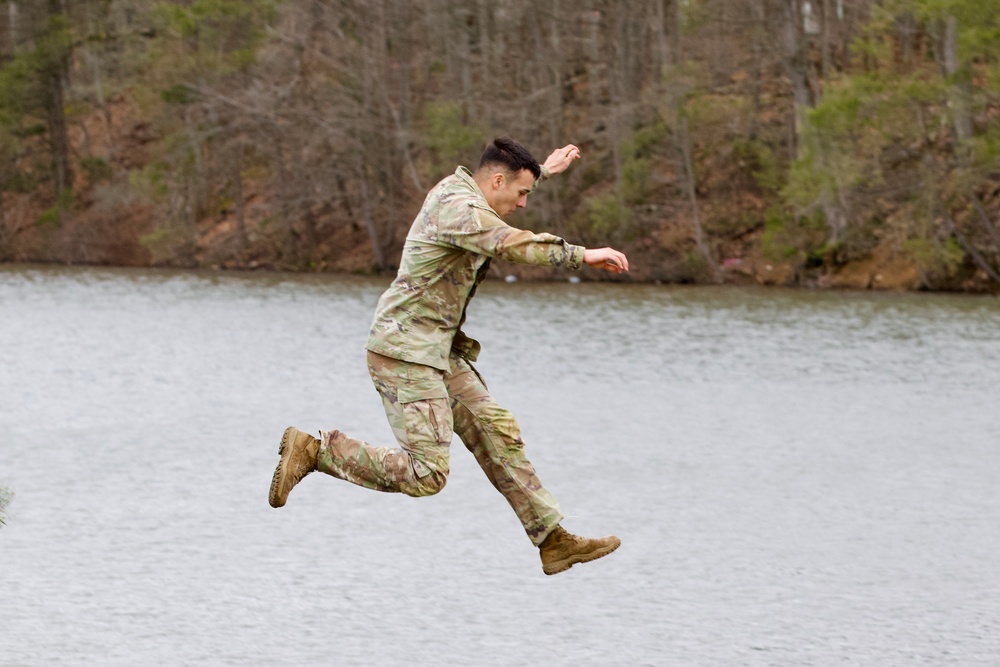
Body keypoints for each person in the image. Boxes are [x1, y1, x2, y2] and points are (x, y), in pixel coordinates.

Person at [268, 137, 629, 575]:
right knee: (427, 475)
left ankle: (552, 540)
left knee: (497, 431)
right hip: (403, 351)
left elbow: (503, 196)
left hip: (436, 349)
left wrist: (543, 171)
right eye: (521, 194)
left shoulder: (473, 195)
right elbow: (508, 242)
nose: (522, 204)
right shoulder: (457, 208)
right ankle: (316, 451)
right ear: (496, 181)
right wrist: (580, 255)